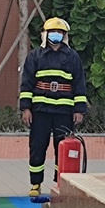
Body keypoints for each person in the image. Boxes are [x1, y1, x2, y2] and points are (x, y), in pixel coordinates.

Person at [19, 17, 87, 197]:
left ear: (64, 35)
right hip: (40, 110)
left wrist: (79, 110)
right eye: (52, 32)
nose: (56, 35)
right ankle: (35, 184)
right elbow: (26, 84)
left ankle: (60, 183)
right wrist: (26, 108)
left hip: (64, 111)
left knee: (62, 149)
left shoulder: (72, 57)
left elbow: (79, 84)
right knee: (37, 147)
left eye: (59, 32)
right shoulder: (35, 56)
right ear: (45, 34)